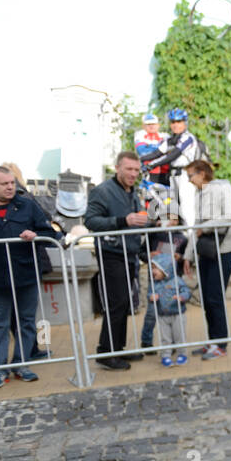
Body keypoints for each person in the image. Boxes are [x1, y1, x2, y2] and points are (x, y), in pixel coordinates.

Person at [0, 165, 60, 387]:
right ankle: (0, 368)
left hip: (26, 274)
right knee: (0, 323)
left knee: (26, 322)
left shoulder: (27, 205)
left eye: (12, 182)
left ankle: (21, 364)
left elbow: (51, 233)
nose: (10, 187)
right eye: (4, 184)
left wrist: (36, 234)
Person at [85, 151, 150, 370]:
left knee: (124, 302)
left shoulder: (132, 191)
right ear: (118, 168)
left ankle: (117, 349)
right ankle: (106, 351)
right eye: (129, 169)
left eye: (136, 170)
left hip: (129, 253)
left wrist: (155, 224)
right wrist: (123, 220)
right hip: (111, 252)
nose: (133, 174)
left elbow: (135, 221)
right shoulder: (102, 191)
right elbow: (91, 221)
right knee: (117, 302)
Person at [182, 160, 231, 359]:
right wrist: (187, 256)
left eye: (190, 175)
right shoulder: (199, 194)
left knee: (215, 298)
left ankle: (221, 343)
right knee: (206, 298)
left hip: (223, 251)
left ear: (202, 173)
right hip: (207, 251)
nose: (189, 180)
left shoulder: (221, 188)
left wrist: (205, 227)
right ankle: (213, 341)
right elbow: (196, 227)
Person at [140, 109, 202, 224]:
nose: (175, 125)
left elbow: (173, 155)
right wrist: (138, 159)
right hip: (173, 176)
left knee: (186, 208)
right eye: (173, 122)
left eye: (179, 122)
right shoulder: (171, 139)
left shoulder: (188, 138)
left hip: (186, 176)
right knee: (173, 208)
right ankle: (181, 236)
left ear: (185, 123)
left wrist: (152, 165)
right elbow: (157, 153)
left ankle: (191, 236)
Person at [147, 234, 191, 367]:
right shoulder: (154, 283)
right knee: (165, 337)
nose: (153, 271)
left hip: (178, 314)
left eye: (156, 269)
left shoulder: (177, 280)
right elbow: (150, 294)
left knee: (179, 336)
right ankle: (165, 355)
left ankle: (182, 354)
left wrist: (181, 297)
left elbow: (186, 291)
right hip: (162, 315)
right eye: (153, 268)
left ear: (166, 270)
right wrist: (151, 297)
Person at [134, 114, 169, 188]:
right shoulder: (140, 135)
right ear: (143, 126)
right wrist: (161, 149)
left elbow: (172, 151)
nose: (151, 126)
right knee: (150, 197)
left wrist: (151, 147)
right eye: (148, 124)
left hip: (166, 172)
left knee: (168, 196)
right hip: (150, 171)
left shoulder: (165, 136)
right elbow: (143, 152)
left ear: (158, 125)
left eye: (153, 124)